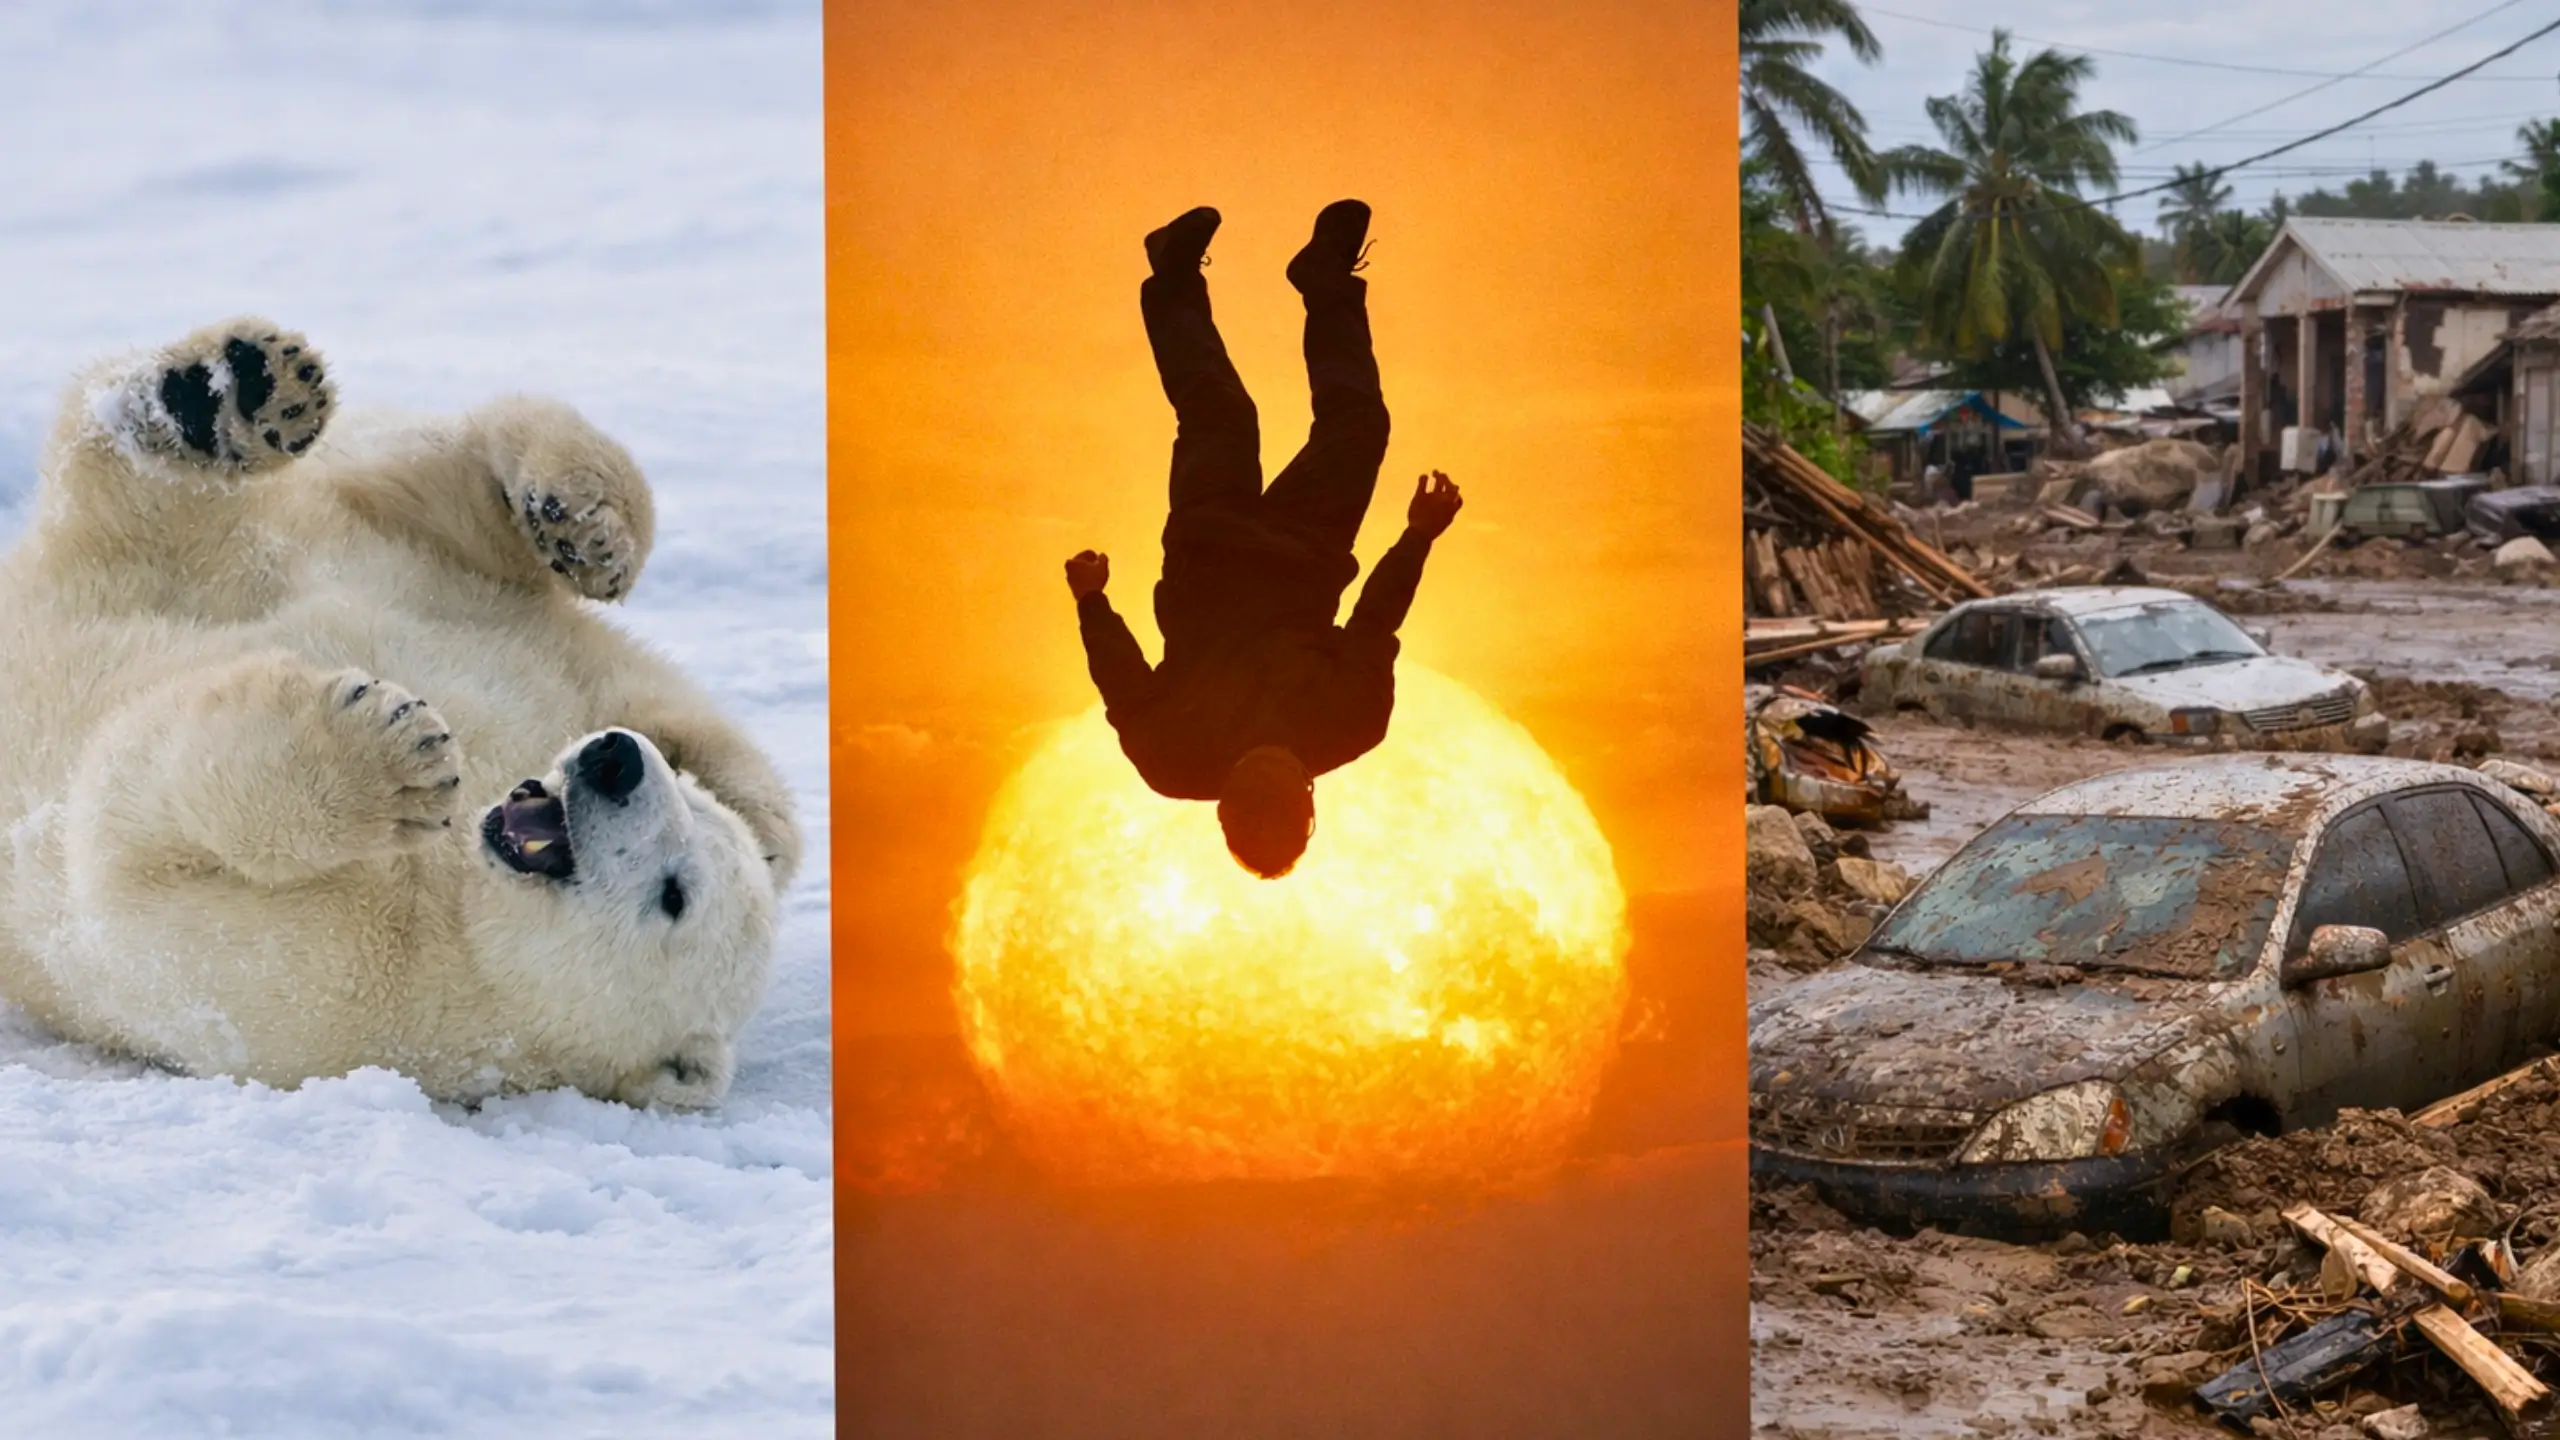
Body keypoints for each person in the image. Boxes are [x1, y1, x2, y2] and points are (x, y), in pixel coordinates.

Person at [1066, 200, 1461, 880]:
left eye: (1248, 778)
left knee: (1220, 410)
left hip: (1209, 547)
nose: (1263, 758)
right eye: (1277, 777)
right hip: (1304, 554)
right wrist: (1418, 538)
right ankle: (1325, 277)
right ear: (1306, 793)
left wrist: (1093, 605)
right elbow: (1374, 623)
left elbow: (1124, 686)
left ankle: (1173, 277)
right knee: (1360, 424)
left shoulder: (1172, 759)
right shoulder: (1353, 722)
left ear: (1225, 799)